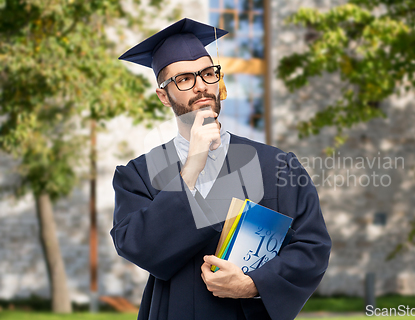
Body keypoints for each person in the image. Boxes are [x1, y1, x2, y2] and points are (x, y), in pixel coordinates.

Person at [110, 18, 331, 320]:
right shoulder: (138, 175)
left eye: (207, 73)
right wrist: (192, 167)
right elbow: (141, 248)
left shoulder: (278, 166)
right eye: (184, 79)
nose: (201, 85)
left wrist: (254, 284)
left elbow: (312, 246)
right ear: (164, 95)